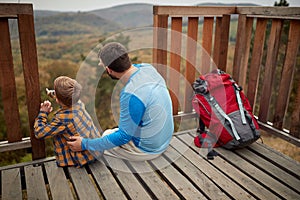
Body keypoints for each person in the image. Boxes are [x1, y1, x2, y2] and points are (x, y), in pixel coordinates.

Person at [68, 42, 174, 161]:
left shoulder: (131, 94)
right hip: (165, 139)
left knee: (106, 137)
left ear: (109, 70)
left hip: (148, 150)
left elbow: (124, 137)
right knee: (112, 133)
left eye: (102, 65)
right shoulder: (148, 68)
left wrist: (84, 144)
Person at [34, 76, 100, 167]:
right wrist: (52, 94)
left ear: (58, 99)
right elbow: (65, 98)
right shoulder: (78, 102)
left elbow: (39, 133)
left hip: (83, 158)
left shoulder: (63, 119)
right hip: (95, 150)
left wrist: (43, 113)